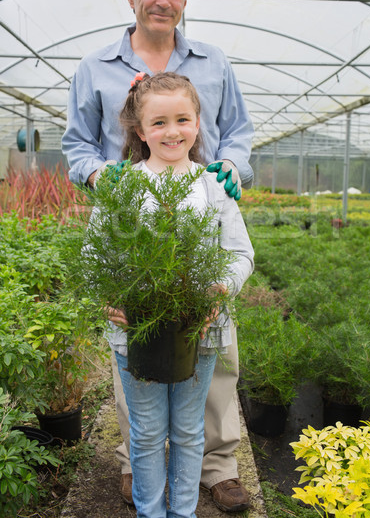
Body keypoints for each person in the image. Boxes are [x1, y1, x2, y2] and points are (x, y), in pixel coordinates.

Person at [61, 0, 254, 512]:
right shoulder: (95, 66)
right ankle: (137, 464)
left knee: (213, 361)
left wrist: (230, 169)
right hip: (131, 217)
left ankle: (216, 471)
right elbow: (76, 148)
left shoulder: (214, 62)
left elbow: (240, 134)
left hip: (204, 211)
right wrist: (103, 178)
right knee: (138, 353)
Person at [104, 71, 254, 518]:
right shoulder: (124, 188)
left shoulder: (214, 187)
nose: (172, 131)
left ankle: (182, 512)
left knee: (189, 432)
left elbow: (241, 253)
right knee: (147, 433)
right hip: (137, 333)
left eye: (183, 119)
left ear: (198, 121)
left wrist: (220, 287)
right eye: (159, 123)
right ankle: (151, 512)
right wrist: (112, 297)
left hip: (201, 330)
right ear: (140, 130)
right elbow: (99, 254)